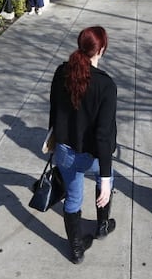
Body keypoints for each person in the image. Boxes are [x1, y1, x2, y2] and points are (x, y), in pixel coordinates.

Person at [49, 26, 118, 264]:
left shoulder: (61, 72)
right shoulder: (106, 85)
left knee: (73, 198)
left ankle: (76, 249)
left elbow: (53, 110)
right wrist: (107, 179)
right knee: (103, 180)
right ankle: (102, 225)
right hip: (94, 156)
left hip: (66, 152)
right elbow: (104, 135)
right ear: (102, 49)